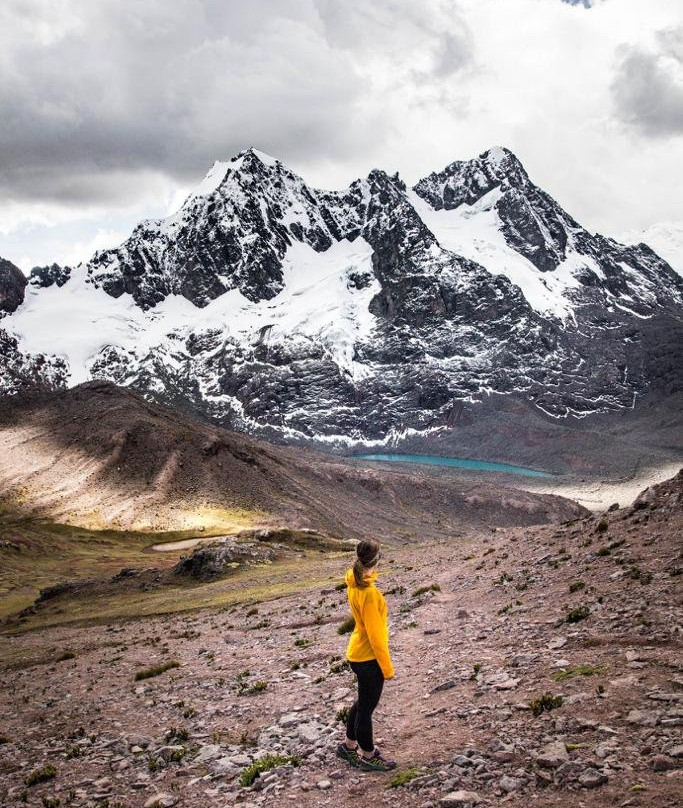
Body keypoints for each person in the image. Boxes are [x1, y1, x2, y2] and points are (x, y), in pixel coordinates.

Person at [336, 538, 397, 772]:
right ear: (377, 560)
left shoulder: (353, 581)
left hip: (357, 652)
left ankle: (348, 746)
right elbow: (376, 636)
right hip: (368, 657)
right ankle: (368, 755)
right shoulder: (370, 593)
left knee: (362, 703)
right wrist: (387, 668)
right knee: (366, 709)